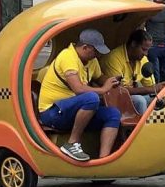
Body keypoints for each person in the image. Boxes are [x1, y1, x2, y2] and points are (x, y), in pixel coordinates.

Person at [37, 29, 121, 162]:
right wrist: (104, 89)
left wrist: (111, 81)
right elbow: (79, 89)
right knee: (91, 98)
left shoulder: (91, 61)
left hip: (72, 112)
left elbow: (99, 77)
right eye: (95, 51)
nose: (97, 55)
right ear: (85, 47)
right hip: (52, 113)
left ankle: (103, 160)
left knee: (113, 114)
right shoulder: (67, 56)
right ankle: (72, 144)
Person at [99, 29, 165, 115]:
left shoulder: (143, 59)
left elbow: (150, 85)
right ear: (133, 44)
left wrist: (162, 88)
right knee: (140, 100)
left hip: (132, 96)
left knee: (161, 100)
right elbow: (118, 90)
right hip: (115, 98)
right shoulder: (114, 58)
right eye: (143, 49)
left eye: (147, 50)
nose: (146, 54)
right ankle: (142, 128)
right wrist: (149, 89)